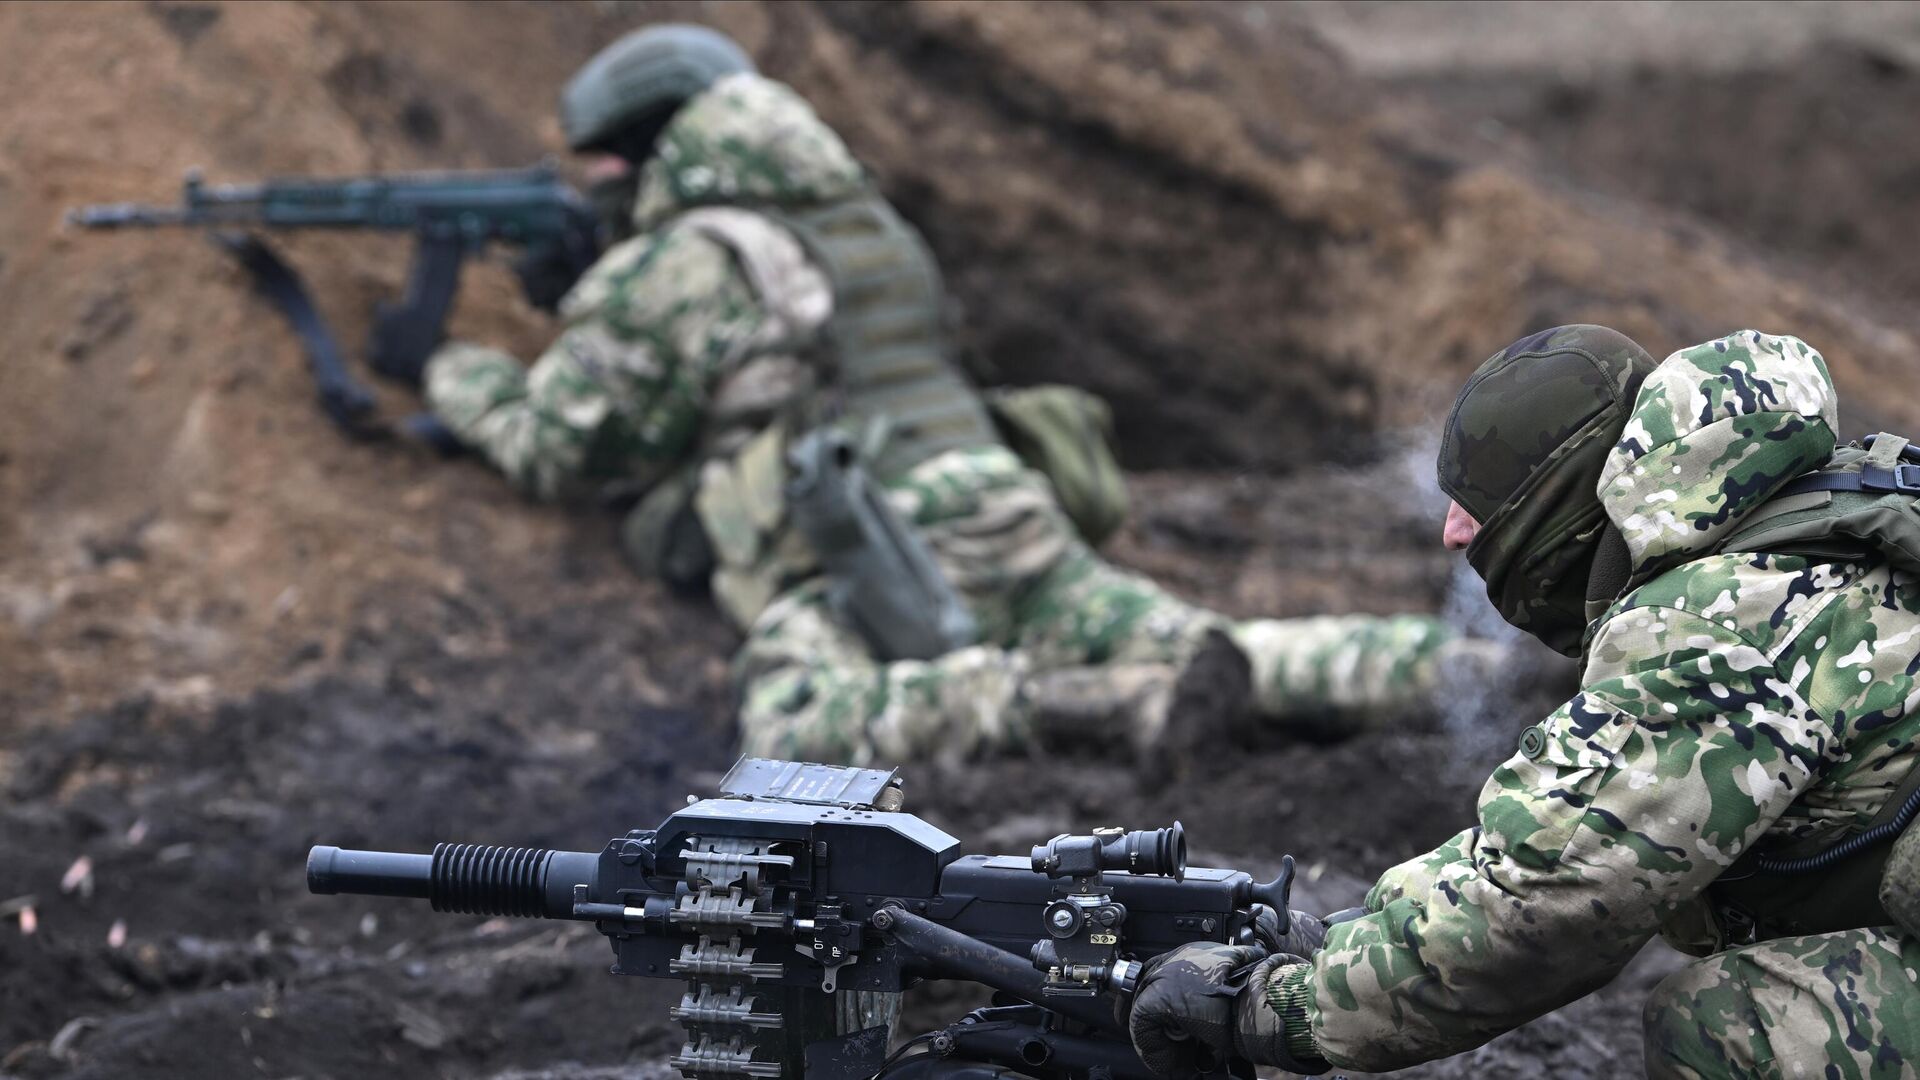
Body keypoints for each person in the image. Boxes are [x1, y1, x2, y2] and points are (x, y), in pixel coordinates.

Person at [401, 24, 1487, 765]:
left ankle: (1082, 705)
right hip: (1008, 509)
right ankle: (1474, 667)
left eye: (601, 166)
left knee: (794, 719)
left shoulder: (686, 259)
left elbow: (560, 446)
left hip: (876, 545)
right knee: (1201, 637)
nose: (592, 188)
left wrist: (454, 370)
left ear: (651, 151)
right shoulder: (866, 224)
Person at [1126, 324, 1920, 1078]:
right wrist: (1346, 939)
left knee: (1726, 1025)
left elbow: (1543, 901)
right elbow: (1550, 839)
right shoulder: (1821, 515)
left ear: (1555, 504)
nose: (1453, 532)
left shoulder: (1709, 619)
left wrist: (1274, 1005)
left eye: (1480, 498)